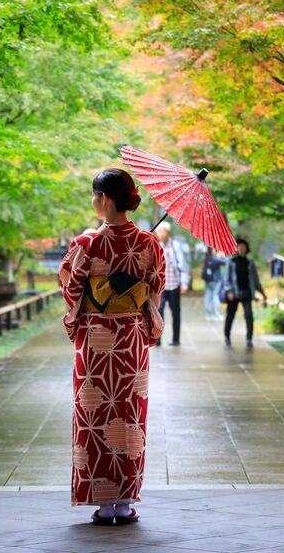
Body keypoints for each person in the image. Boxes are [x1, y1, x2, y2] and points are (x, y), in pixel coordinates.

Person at [59, 168, 165, 525]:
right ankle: (124, 500)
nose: (94, 202)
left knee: (96, 414)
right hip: (131, 340)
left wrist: (81, 314)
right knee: (129, 413)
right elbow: (154, 289)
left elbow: (71, 288)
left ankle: (103, 503)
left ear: (104, 199)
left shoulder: (85, 244)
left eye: (94, 196)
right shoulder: (149, 243)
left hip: (96, 340)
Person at [222, 238, 267, 348]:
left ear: (247, 249)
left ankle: (249, 338)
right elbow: (226, 279)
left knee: (249, 315)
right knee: (230, 315)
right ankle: (227, 336)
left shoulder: (250, 263)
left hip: (246, 293)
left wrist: (263, 293)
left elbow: (255, 281)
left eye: (243, 246)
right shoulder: (231, 262)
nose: (241, 248)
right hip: (234, 294)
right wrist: (229, 291)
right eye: (239, 246)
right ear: (236, 248)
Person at [154, 221, 190, 346]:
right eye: (158, 231)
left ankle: (176, 339)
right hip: (161, 287)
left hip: (174, 285)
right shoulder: (157, 246)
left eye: (162, 231)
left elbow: (183, 266)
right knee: (159, 312)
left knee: (176, 313)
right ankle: (158, 339)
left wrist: (184, 283)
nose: (160, 233)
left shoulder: (175, 246)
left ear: (168, 233)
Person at [202, 247, 225, 321]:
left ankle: (207, 314)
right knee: (215, 296)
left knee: (207, 296)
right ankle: (216, 314)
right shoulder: (215, 258)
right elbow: (226, 262)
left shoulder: (206, 258)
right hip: (215, 280)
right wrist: (222, 256)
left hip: (208, 280)